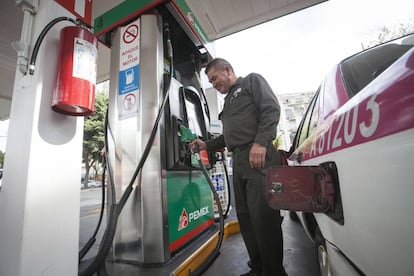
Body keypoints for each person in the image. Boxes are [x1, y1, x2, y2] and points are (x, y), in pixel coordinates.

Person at [191, 58, 286, 276]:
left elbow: (271, 109)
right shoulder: (228, 102)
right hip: (240, 161)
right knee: (246, 218)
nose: (213, 83)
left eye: (215, 78)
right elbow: (229, 136)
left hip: (258, 158)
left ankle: (274, 272)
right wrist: (206, 145)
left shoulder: (251, 82)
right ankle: (258, 268)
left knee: (264, 219)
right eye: (211, 81)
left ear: (227, 70)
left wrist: (261, 142)